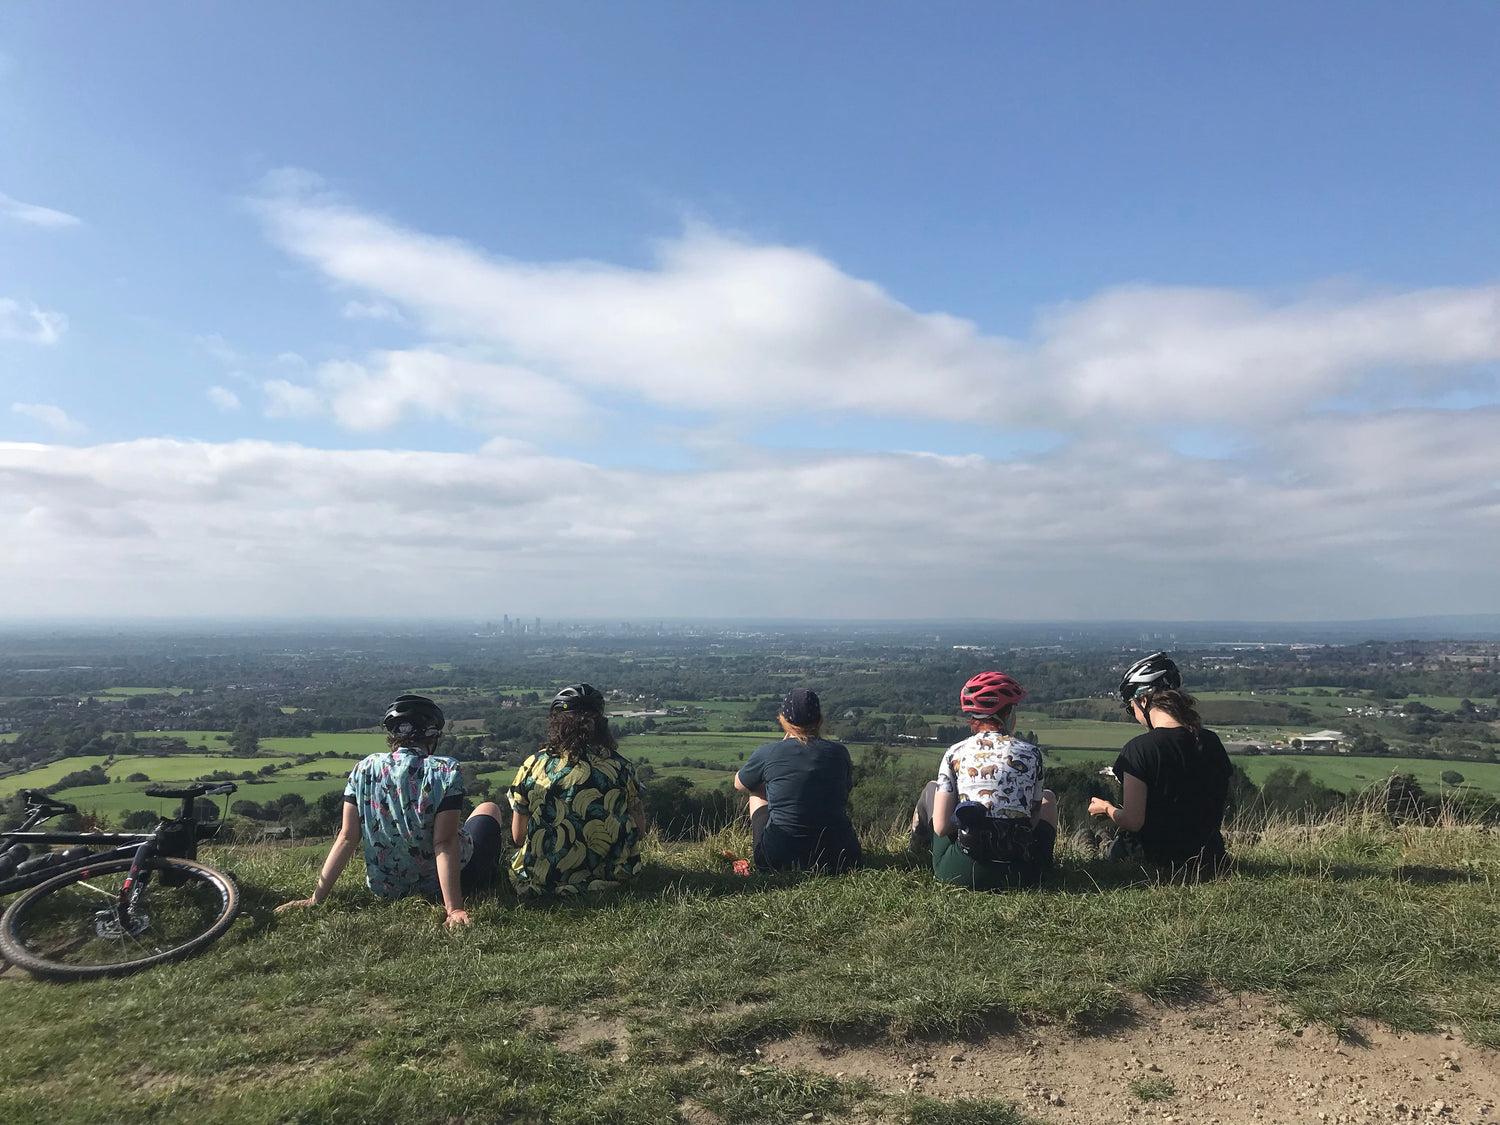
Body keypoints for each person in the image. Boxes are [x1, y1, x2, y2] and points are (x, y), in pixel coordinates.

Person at [277, 694, 505, 928]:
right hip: (442, 884)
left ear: (393, 736)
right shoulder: (445, 770)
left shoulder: (364, 768)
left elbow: (347, 837)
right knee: (488, 808)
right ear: (432, 735)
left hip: (385, 889)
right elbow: (444, 842)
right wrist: (454, 909)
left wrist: (316, 898)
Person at [1089, 653, 1232, 877]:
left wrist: (1106, 808)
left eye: (1131, 708)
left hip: (1155, 859)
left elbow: (1134, 821)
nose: (1134, 714)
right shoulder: (1211, 741)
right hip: (1210, 858)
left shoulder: (1139, 749)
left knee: (1096, 840)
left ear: (1143, 700)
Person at [508, 683, 647, 897]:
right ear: (601, 724)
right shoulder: (621, 767)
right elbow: (640, 829)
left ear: (556, 724)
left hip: (545, 880)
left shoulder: (533, 766)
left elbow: (518, 836)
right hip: (611, 879)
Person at [925, 671, 1058, 890]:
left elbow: (941, 827)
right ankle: (1044, 864)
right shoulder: (1032, 754)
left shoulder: (954, 753)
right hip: (1022, 873)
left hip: (963, 873)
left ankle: (916, 846)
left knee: (932, 789)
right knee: (1048, 798)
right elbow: (1032, 821)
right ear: (1007, 714)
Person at [734, 688, 861, 873]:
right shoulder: (840, 752)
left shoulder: (769, 752)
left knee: (756, 789)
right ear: (820, 719)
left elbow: (739, 784)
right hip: (844, 858)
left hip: (778, 860)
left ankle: (770, 841)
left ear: (783, 720)